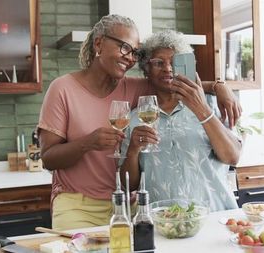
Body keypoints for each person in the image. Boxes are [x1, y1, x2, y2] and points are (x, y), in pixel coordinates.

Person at [38, 15, 241, 230]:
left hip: (129, 206)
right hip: (79, 206)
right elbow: (48, 159)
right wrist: (88, 143)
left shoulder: (138, 90)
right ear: (99, 43)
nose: (130, 57)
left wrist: (220, 87)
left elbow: (171, 83)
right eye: (124, 47)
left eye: (134, 52)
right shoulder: (63, 89)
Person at [120, 30, 241, 212]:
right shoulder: (135, 119)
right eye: (158, 63)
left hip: (214, 215)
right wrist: (133, 149)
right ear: (146, 70)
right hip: (164, 221)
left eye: (174, 63)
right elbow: (129, 185)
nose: (168, 68)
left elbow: (232, 157)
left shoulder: (213, 103)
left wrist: (202, 109)